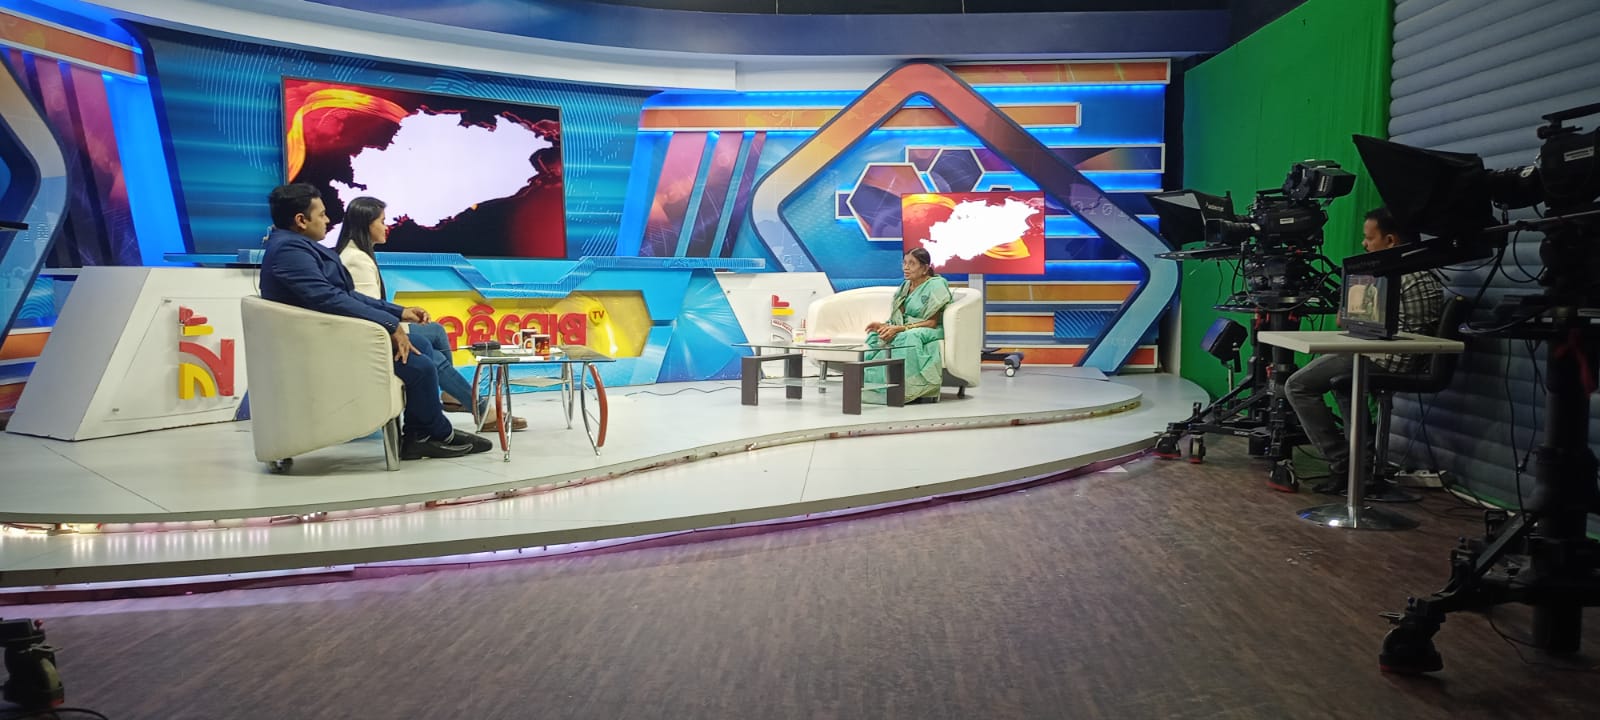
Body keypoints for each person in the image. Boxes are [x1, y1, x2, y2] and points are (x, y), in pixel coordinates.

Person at [258, 183, 491, 460]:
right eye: (321, 214)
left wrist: (398, 312)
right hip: (324, 345)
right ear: (301, 220)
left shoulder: (299, 246)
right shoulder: (290, 251)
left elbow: (345, 294)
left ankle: (423, 433)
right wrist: (390, 325)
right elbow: (328, 298)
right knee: (420, 364)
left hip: (334, 334)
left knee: (422, 345)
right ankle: (434, 433)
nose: (328, 220)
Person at [1282, 207, 1445, 493]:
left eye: (1369, 238)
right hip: (1400, 357)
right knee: (1342, 382)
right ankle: (1361, 466)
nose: (1364, 244)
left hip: (1386, 359)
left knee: (1297, 386)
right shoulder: (1424, 274)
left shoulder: (1390, 275)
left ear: (1390, 241)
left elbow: (1342, 319)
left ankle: (1342, 464)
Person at [333, 196, 527, 433]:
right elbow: (366, 310)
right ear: (366, 224)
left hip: (377, 328)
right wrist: (397, 323)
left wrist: (403, 313)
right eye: (382, 221)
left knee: (435, 331)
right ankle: (480, 409)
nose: (386, 227)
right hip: (371, 337)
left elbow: (371, 304)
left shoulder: (360, 254)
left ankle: (451, 395)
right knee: (429, 352)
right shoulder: (356, 260)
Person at [862, 248, 953, 404]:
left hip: (930, 328)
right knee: (876, 336)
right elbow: (900, 319)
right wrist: (884, 325)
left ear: (925, 268)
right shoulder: (906, 286)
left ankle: (906, 389)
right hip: (906, 327)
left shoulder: (936, 285)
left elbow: (931, 323)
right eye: (904, 263)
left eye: (912, 263)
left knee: (907, 337)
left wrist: (901, 329)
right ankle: (878, 388)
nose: (906, 267)